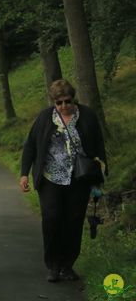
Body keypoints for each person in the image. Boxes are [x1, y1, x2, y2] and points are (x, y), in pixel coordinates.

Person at [20, 79, 107, 283]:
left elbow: (98, 146)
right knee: (51, 219)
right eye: (58, 103)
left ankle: (68, 265)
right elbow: (31, 146)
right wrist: (24, 173)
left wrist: (99, 177)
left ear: (73, 99)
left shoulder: (87, 117)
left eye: (67, 101)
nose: (63, 106)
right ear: (54, 102)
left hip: (79, 178)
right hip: (51, 178)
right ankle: (53, 265)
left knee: (73, 222)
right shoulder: (45, 118)